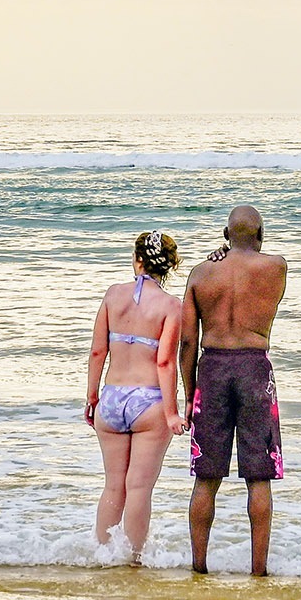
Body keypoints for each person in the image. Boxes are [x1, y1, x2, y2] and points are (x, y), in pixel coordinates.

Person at [182, 206, 288, 576]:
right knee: (259, 477)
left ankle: (199, 568)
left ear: (224, 236)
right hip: (254, 369)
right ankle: (258, 572)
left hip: (212, 368)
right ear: (261, 234)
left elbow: (186, 343)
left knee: (205, 478)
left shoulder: (199, 273)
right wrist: (235, 249)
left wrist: (188, 394)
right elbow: (250, 260)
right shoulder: (276, 267)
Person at [85, 230, 187, 564]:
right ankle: (133, 561)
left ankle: (103, 557)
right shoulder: (172, 306)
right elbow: (165, 361)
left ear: (137, 260)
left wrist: (92, 397)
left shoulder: (113, 295)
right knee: (139, 488)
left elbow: (98, 350)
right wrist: (172, 413)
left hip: (111, 398)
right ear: (168, 266)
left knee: (114, 485)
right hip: (148, 403)